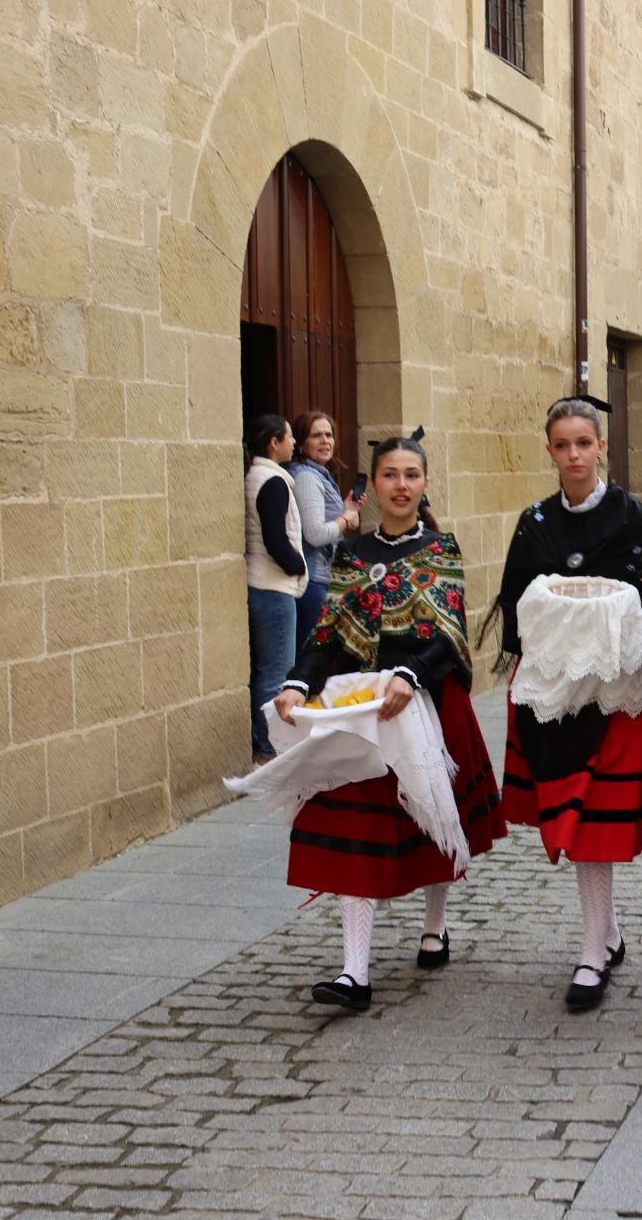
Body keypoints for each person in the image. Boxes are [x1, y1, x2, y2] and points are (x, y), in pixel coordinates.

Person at [268, 435, 505, 1010]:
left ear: (424, 484)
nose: (401, 485)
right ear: (373, 485)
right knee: (354, 826)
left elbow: (449, 637)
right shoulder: (353, 556)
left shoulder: (441, 548)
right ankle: (354, 971)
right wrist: (299, 680)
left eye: (412, 475)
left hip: (427, 699)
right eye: (390, 475)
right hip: (364, 709)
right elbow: (327, 635)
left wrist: (411, 672)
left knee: (434, 816)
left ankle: (435, 923)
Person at [488, 398, 642, 1011]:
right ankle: (606, 934)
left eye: (583, 443)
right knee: (572, 815)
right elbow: (515, 605)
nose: (574, 455)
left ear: (601, 446)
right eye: (562, 445)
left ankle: (591, 953)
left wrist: (596, 620)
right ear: (550, 451)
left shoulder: (630, 517)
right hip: (553, 696)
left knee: (594, 823)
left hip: (614, 696)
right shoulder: (534, 521)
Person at [244, 415, 307, 766]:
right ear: (273, 442)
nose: (294, 443)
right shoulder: (272, 481)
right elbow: (275, 538)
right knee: (277, 674)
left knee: (269, 671)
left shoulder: (263, 476)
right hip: (273, 587)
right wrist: (297, 564)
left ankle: (267, 745)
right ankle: (269, 750)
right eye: (289, 437)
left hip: (267, 585)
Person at [289, 411, 363, 639]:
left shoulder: (319, 474)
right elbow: (316, 534)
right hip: (314, 582)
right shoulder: (308, 477)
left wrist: (347, 509)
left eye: (329, 435)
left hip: (323, 579)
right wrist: (345, 520)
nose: (325, 441)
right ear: (301, 443)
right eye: (316, 435)